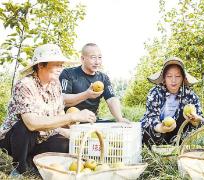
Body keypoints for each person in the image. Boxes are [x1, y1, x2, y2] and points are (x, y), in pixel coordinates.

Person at [0, 44, 96, 174]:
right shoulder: (25, 85)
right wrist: (72, 116)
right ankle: (19, 169)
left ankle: (32, 161)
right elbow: (32, 123)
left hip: (43, 137)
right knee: (24, 127)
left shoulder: (55, 85)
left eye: (61, 65)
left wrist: (71, 129)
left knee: (67, 145)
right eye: (56, 65)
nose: (60, 69)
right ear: (40, 65)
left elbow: (59, 116)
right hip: (16, 139)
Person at [141, 57, 203, 146]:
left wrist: (194, 120)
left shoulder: (190, 95)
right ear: (164, 79)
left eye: (178, 76)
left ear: (183, 78)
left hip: (178, 134)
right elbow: (151, 117)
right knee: (149, 131)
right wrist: (161, 128)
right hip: (158, 131)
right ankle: (157, 146)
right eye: (169, 76)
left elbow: (200, 122)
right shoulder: (155, 92)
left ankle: (178, 146)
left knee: (185, 114)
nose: (173, 80)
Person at [59, 43, 129, 122]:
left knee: (113, 124)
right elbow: (62, 100)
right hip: (70, 121)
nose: (97, 62)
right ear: (82, 59)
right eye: (93, 58)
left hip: (92, 121)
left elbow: (111, 99)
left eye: (99, 57)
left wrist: (119, 118)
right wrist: (86, 95)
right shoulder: (68, 73)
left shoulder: (103, 78)